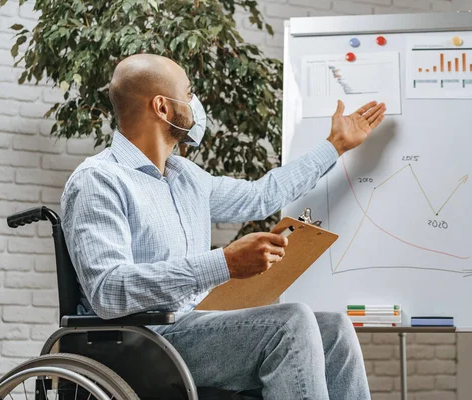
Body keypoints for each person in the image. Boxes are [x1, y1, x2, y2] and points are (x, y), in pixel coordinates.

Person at [61, 54, 386, 400]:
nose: (194, 103)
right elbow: (109, 290)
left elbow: (263, 195)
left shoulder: (185, 177)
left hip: (190, 329)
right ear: (162, 108)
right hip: (140, 342)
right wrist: (224, 264)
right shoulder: (98, 180)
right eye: (188, 93)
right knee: (291, 324)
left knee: (334, 329)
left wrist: (334, 146)